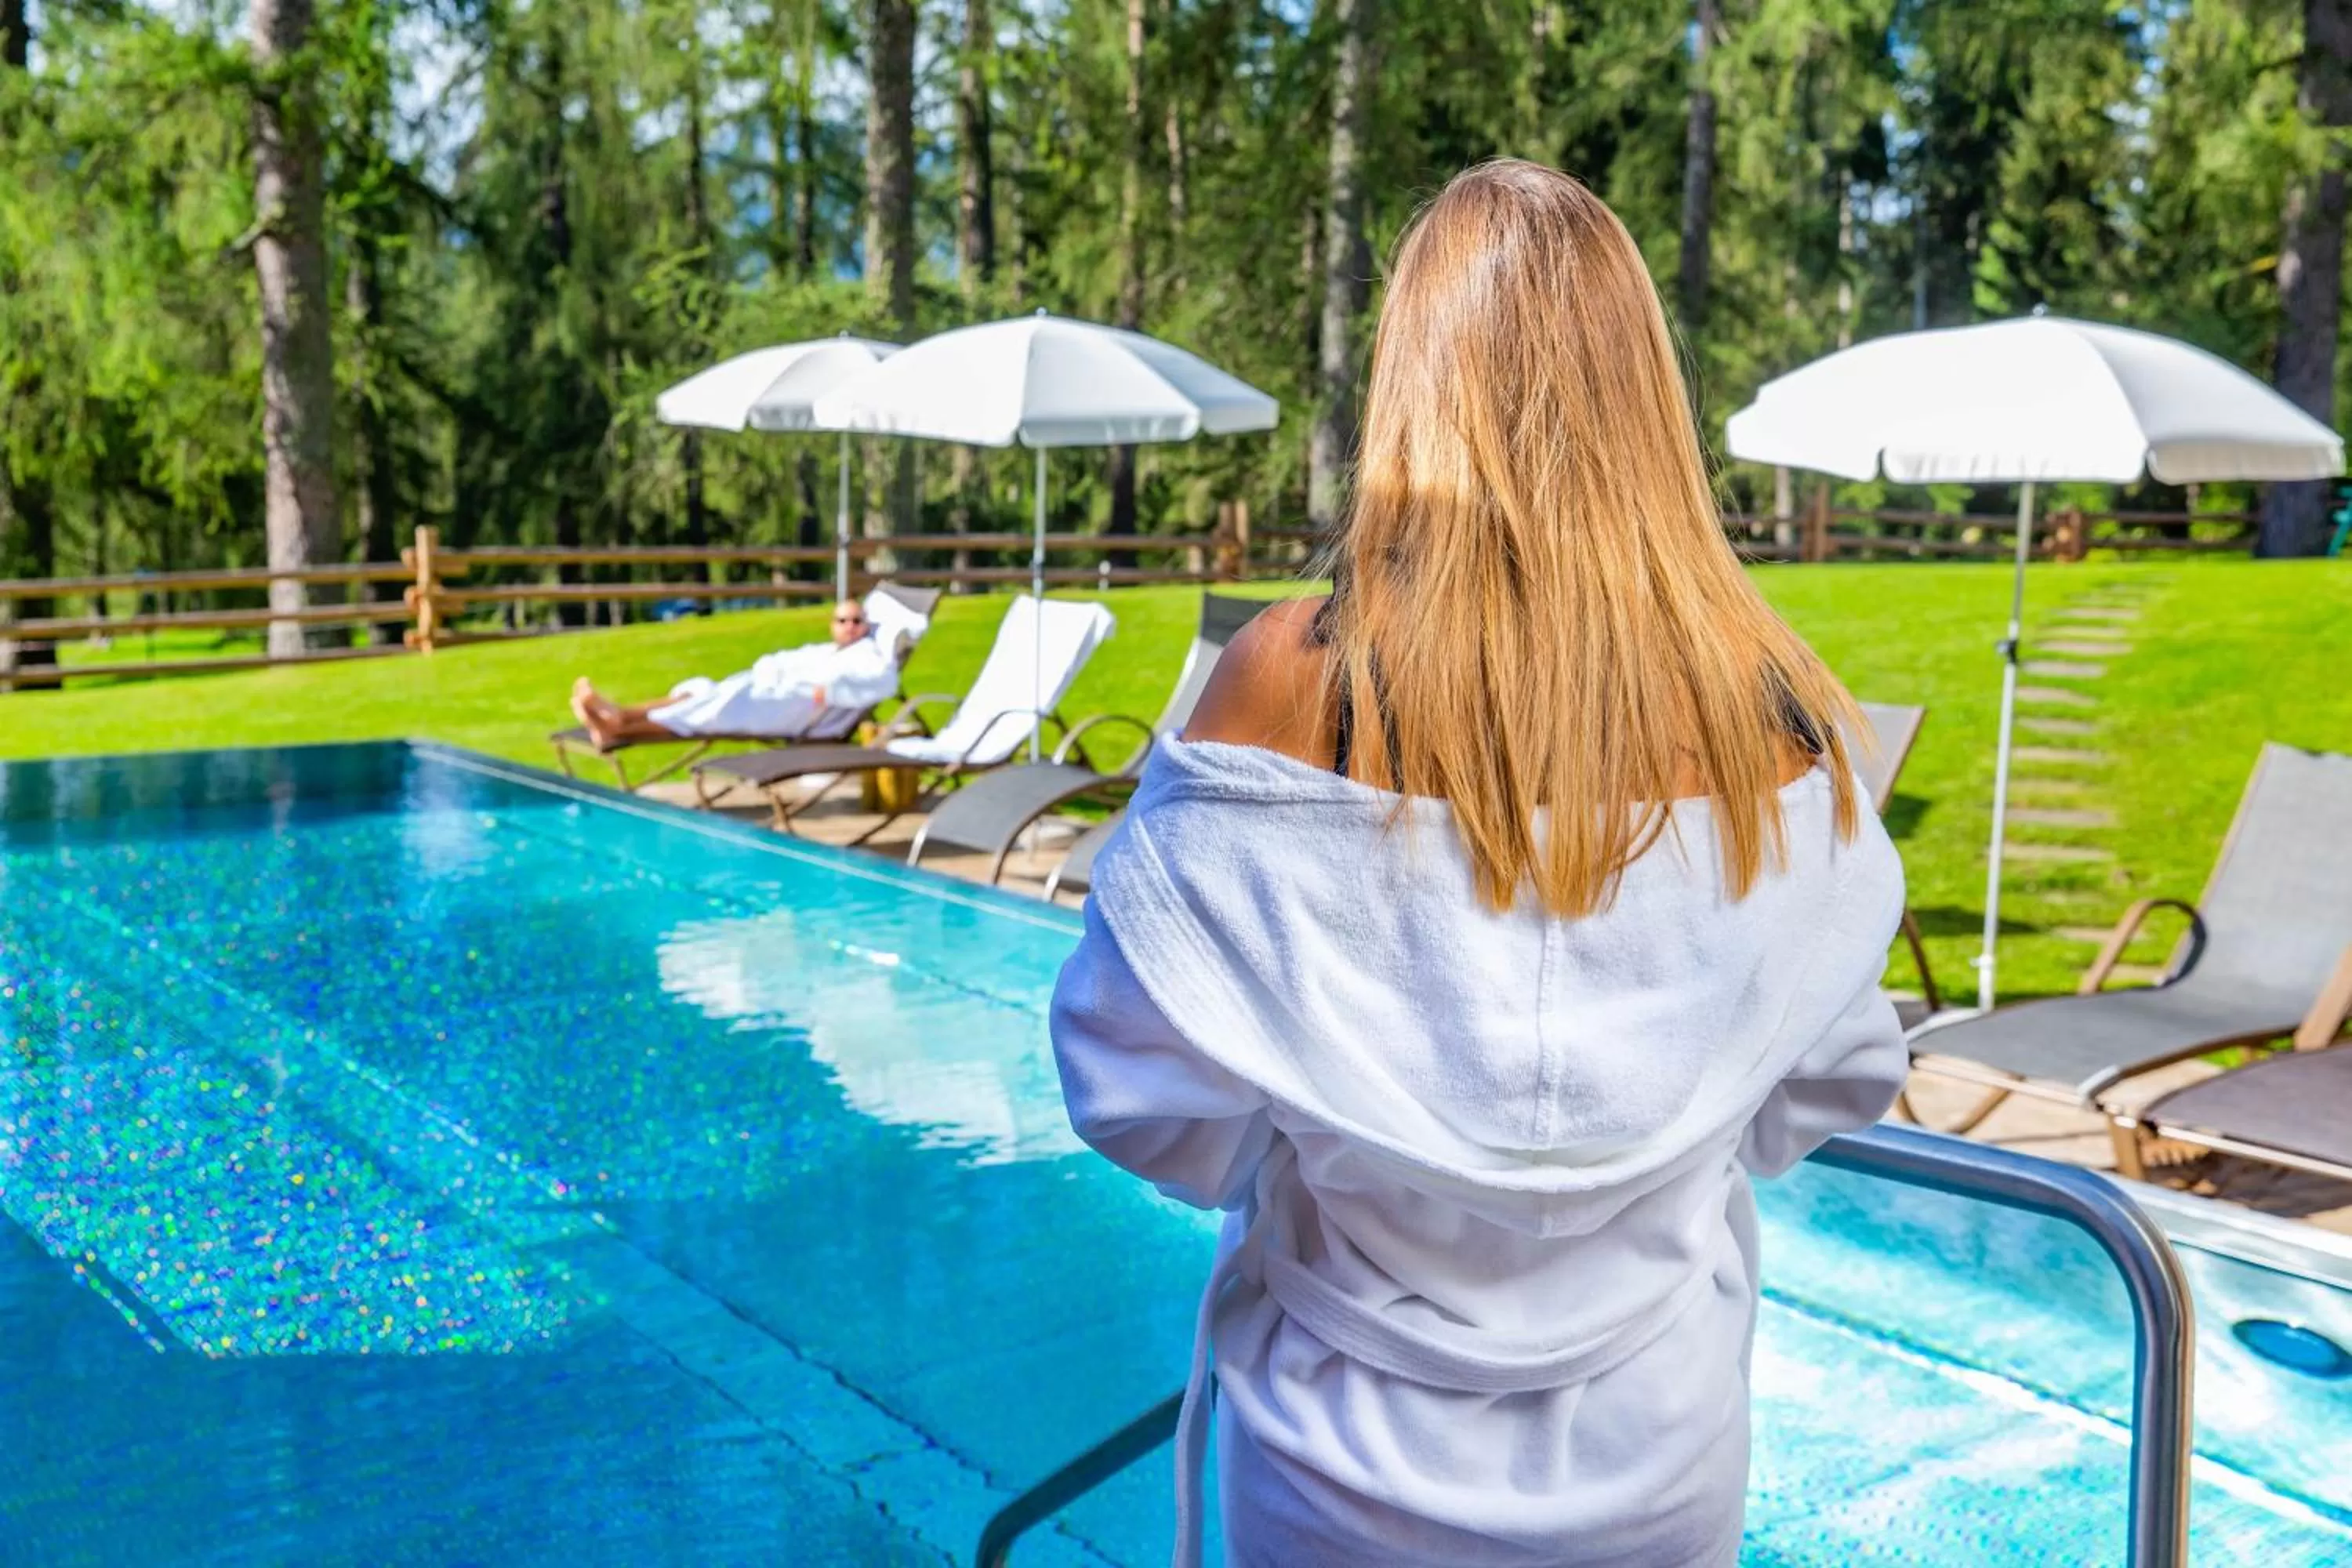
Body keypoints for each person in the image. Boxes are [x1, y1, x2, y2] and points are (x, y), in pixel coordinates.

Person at [1050, 160, 1907, 1568]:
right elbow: (1827, 1080)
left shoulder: (1296, 682)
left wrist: (1323, 1130)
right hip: (1659, 1450)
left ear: (1413, 384)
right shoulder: (1768, 713)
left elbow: (1137, 1085)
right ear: (1646, 395)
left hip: (1343, 1469)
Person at [568, 600, 906, 747]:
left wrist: (831, 691)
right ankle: (620, 722)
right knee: (700, 693)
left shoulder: (868, 657)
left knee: (719, 705)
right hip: (770, 693)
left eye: (857, 621)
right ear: (832, 626)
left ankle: (619, 722)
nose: (849, 627)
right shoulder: (826, 651)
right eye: (842, 620)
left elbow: (886, 683)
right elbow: (781, 659)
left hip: (796, 712)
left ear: (866, 626)